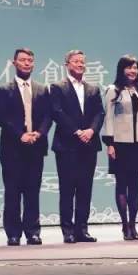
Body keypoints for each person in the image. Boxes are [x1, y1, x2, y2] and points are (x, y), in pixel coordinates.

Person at [0, 48, 51, 246]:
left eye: (30, 60)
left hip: (35, 147)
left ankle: (32, 232)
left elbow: (48, 116)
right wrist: (21, 135)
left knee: (32, 192)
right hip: (12, 148)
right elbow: (1, 117)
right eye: (23, 60)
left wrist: (39, 133)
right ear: (14, 63)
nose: (27, 63)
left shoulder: (42, 89)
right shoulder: (4, 89)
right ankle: (13, 233)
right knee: (12, 192)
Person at [50, 50, 105, 243]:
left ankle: (82, 229)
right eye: (76, 61)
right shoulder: (57, 87)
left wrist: (91, 130)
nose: (80, 64)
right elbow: (57, 112)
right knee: (67, 189)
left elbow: (100, 113)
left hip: (89, 144)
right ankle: (68, 231)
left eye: (82, 61)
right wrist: (76, 131)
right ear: (67, 65)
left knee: (85, 188)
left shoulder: (93, 88)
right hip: (67, 145)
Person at [102, 55, 138, 241]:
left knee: (135, 186)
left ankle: (133, 225)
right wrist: (109, 143)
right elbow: (108, 118)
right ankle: (125, 226)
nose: (133, 71)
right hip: (120, 144)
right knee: (121, 184)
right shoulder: (113, 90)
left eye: (135, 67)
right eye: (129, 67)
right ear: (121, 69)